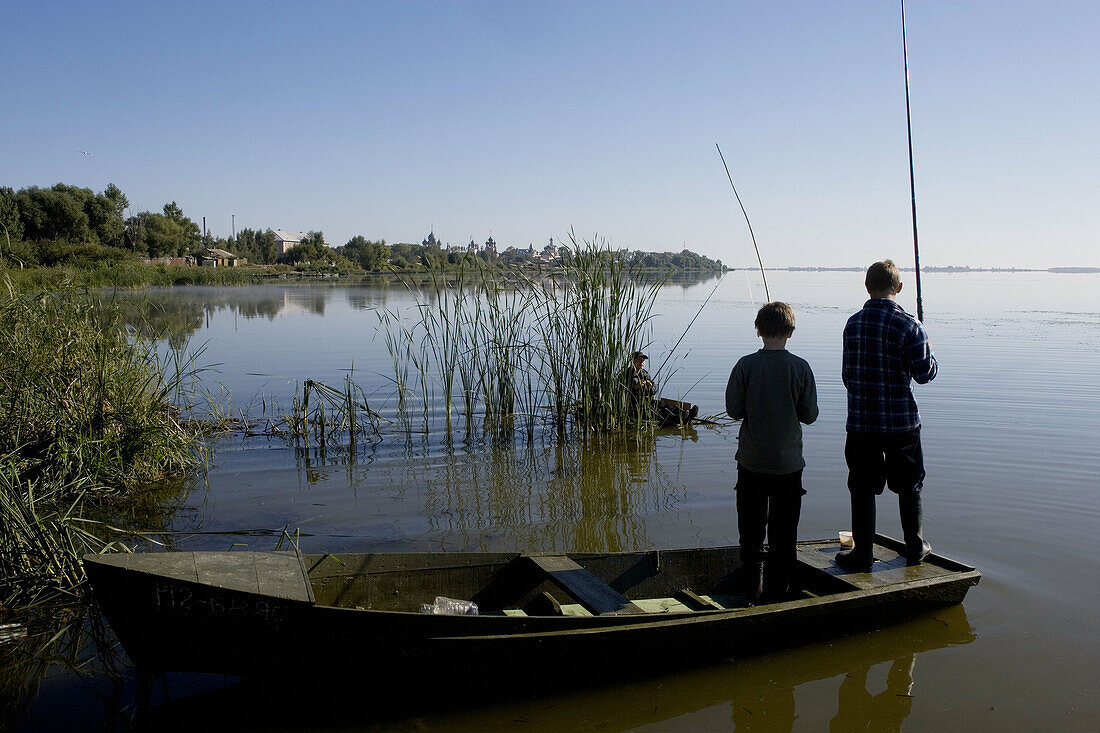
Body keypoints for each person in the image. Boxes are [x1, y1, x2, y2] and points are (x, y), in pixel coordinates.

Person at [837, 259, 938, 571]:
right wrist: (928, 351)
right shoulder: (910, 325)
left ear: (868, 287)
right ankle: (915, 547)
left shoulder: (852, 324)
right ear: (899, 288)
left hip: (861, 423)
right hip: (901, 424)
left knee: (863, 488)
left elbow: (847, 376)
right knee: (909, 485)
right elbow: (925, 374)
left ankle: (862, 554)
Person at [726, 302, 819, 601]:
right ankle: (778, 595)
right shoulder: (801, 367)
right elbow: (810, 415)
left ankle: (750, 591)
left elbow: (733, 410)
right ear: (791, 331)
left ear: (758, 330)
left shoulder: (744, 365)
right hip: (789, 466)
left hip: (752, 463)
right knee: (784, 535)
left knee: (751, 532)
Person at [627, 351, 698, 426]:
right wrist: (637, 387)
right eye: (639, 360)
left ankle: (685, 413)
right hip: (637, 406)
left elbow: (654, 389)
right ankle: (678, 419)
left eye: (643, 360)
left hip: (648, 402)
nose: (642, 362)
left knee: (664, 405)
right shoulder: (628, 374)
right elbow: (631, 391)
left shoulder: (644, 373)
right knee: (662, 411)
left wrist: (650, 388)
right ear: (633, 361)